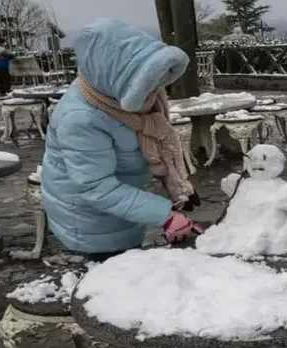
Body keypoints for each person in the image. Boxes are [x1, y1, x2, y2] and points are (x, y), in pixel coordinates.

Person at [41, 18, 202, 263]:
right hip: (91, 221)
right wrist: (165, 215)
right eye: (145, 82)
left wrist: (177, 190)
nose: (155, 89)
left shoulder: (119, 96)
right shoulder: (81, 119)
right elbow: (97, 188)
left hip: (119, 208)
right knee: (111, 280)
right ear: (114, 76)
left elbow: (157, 146)